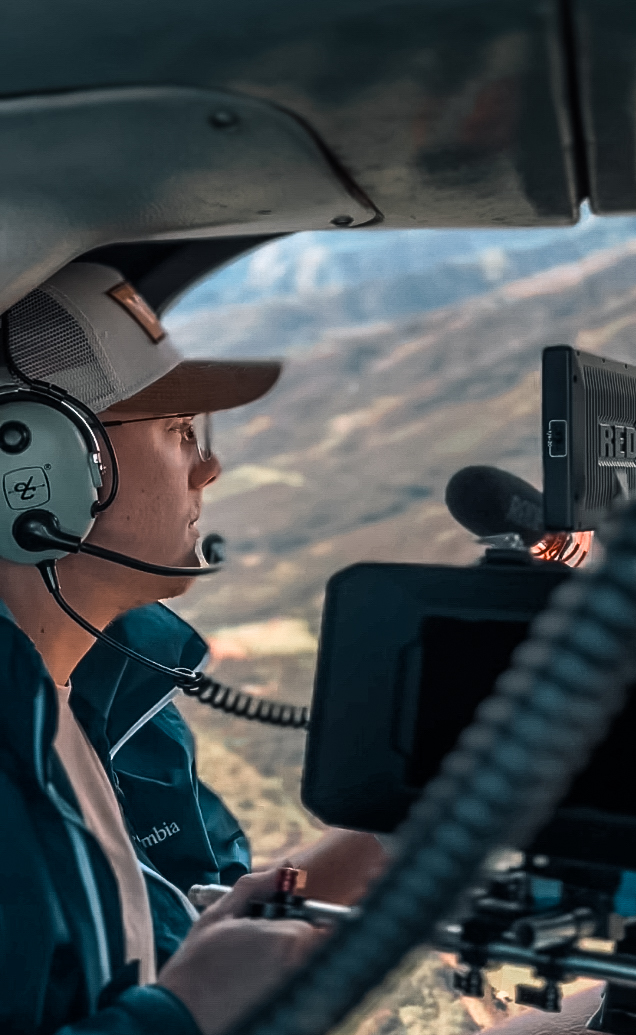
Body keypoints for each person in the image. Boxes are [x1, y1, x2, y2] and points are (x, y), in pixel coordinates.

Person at [0, 261, 386, 1035]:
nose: (209, 465)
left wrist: (467, 781)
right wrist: (187, 1010)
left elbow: (193, 914)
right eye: (179, 431)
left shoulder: (116, 691)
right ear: (35, 468)